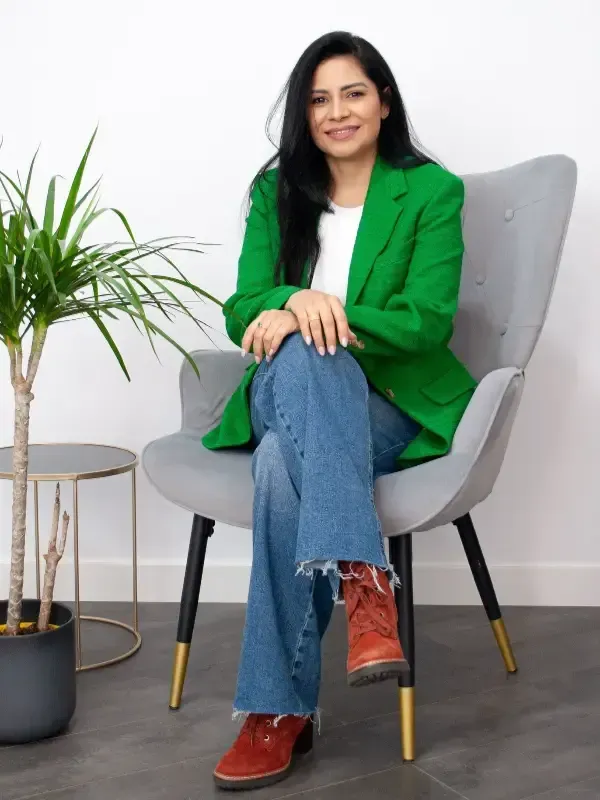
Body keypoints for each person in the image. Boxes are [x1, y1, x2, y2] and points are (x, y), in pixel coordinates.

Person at [202, 30, 476, 791]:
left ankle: (277, 713)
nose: (336, 111)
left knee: (278, 472)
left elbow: (427, 320)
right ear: (304, 113)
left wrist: (323, 313)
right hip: (282, 389)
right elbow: (241, 307)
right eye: (319, 99)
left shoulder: (430, 191)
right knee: (302, 354)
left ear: (384, 102)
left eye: (353, 92)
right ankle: (364, 581)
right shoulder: (275, 192)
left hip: (386, 401)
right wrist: (294, 301)